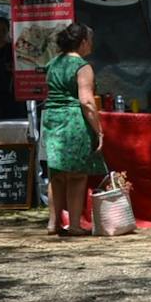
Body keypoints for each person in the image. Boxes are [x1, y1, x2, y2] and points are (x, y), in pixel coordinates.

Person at [42, 22, 105, 236]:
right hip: (72, 121)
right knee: (77, 175)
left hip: (51, 118)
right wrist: (99, 131)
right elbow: (86, 102)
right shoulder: (83, 67)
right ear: (84, 42)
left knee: (57, 174)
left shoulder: (52, 63)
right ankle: (75, 225)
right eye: (90, 40)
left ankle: (53, 223)